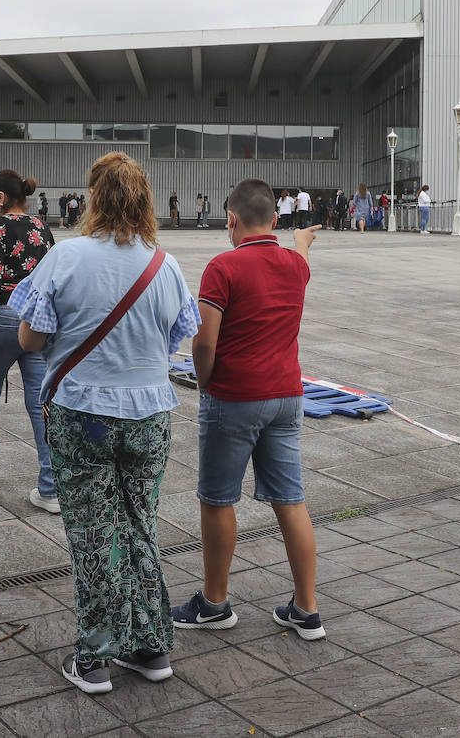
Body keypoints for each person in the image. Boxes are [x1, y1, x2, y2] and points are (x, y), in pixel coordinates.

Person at [11, 151, 200, 695]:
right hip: (150, 415)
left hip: (82, 412)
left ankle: (93, 657)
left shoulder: (66, 257)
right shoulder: (165, 265)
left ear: (94, 199)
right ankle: (150, 647)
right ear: (144, 200)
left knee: (95, 534)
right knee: (141, 523)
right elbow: (172, 340)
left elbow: (31, 338)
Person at [171, 178, 325, 639]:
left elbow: (204, 343)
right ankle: (306, 607)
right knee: (290, 499)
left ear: (231, 219)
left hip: (234, 397)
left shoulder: (223, 268)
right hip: (287, 397)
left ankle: (215, 603)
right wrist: (300, 242)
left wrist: (205, 382)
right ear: (275, 219)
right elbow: (298, 257)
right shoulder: (296, 267)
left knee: (218, 499)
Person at [0, 169, 58, 511]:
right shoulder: (41, 228)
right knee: (39, 401)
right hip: (36, 320)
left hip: (3, 317)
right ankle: (50, 487)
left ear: (0, 198)